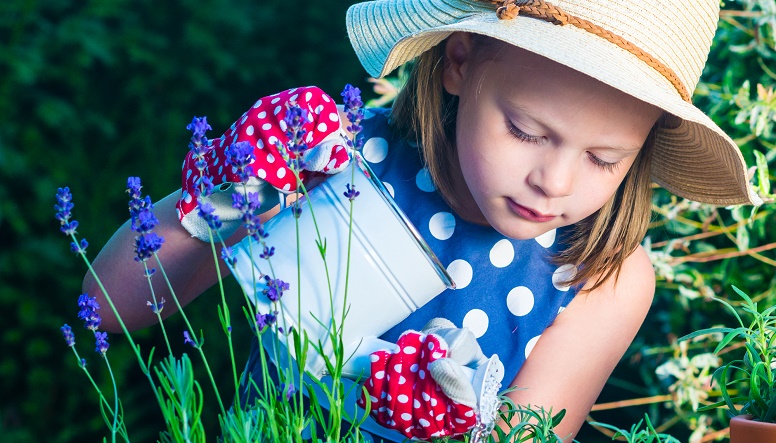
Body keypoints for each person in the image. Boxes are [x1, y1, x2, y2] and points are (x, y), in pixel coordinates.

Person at [84, 0, 761, 440]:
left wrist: (460, 423)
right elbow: (105, 306)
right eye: (526, 130)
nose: (554, 181)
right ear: (460, 62)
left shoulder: (602, 276)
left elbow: (526, 434)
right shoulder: (333, 157)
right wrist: (234, 198)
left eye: (605, 158)